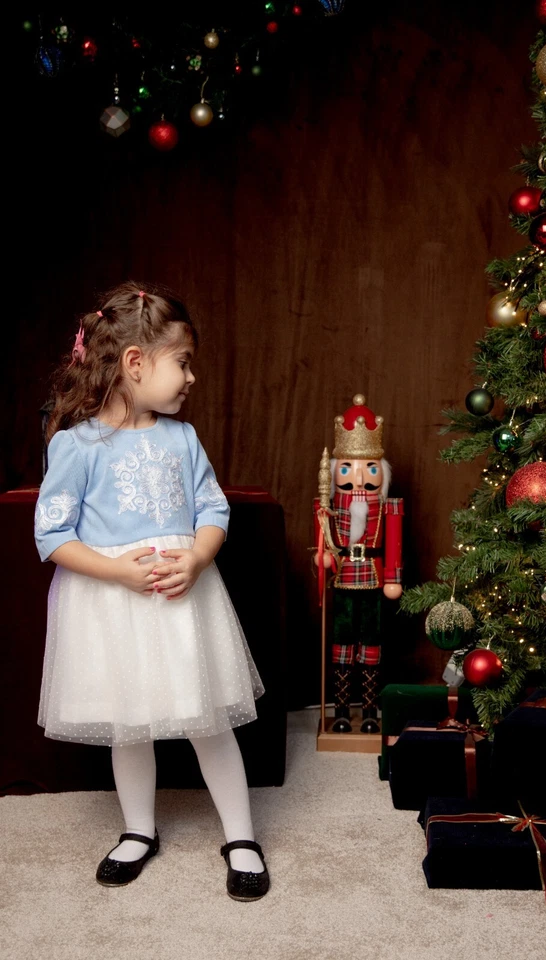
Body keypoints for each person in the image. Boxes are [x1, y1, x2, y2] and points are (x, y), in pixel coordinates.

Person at [34, 281, 269, 900]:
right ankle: (139, 829)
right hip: (114, 607)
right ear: (135, 362)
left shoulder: (181, 438)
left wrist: (198, 555)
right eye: (183, 362)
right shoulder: (76, 445)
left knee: (209, 720)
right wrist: (118, 571)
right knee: (129, 725)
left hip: (183, 603)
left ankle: (241, 836)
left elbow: (213, 509)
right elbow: (51, 535)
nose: (191, 377)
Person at [314, 394, 403, 734]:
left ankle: (369, 711)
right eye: (349, 468)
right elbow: (321, 543)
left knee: (371, 642)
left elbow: (394, 542)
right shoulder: (328, 507)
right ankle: (340, 711)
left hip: (375, 580)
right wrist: (322, 557)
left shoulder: (387, 506)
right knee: (341, 641)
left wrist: (394, 576)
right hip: (342, 579)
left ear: (381, 470)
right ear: (337, 470)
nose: (360, 476)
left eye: (369, 468)